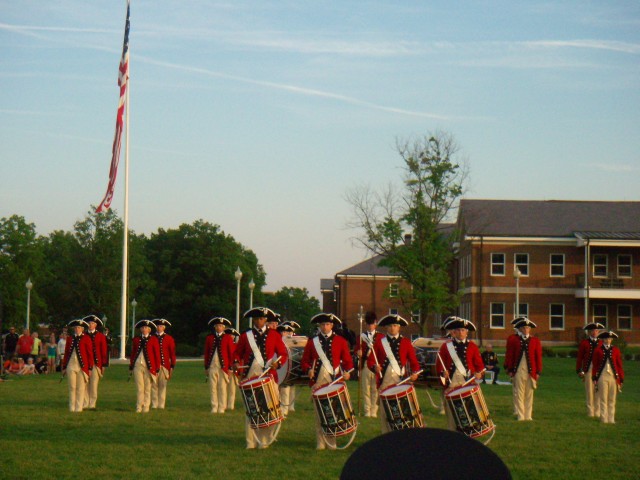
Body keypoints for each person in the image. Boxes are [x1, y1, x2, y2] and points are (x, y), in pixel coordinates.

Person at [233, 307, 288, 449]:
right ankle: (250, 441)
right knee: (251, 409)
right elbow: (237, 353)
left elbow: (283, 353)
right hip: (250, 375)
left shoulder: (274, 335)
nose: (259, 321)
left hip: (269, 376)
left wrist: (278, 362)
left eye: (262, 319)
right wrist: (236, 362)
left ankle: (265, 440)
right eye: (257, 319)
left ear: (266, 320)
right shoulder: (246, 336)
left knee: (269, 409)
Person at [301, 313, 353, 450]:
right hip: (318, 381)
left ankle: (332, 441)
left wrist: (347, 372)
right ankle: (320, 442)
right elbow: (305, 361)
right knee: (319, 413)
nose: (325, 327)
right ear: (319, 326)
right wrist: (308, 370)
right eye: (323, 324)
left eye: (328, 324)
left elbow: (348, 361)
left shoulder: (340, 341)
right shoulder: (313, 342)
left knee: (333, 412)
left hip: (334, 380)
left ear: (332, 326)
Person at [368, 314, 420, 433]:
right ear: (386, 327)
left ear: (399, 328)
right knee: (385, 414)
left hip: (401, 382)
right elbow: (370, 360)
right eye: (390, 326)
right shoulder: (380, 342)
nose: (393, 328)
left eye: (395, 326)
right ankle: (385, 436)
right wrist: (374, 367)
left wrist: (415, 374)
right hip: (385, 382)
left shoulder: (406, 342)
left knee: (403, 412)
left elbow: (414, 363)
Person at [436, 317, 485, 431]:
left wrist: (479, 374)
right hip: (451, 383)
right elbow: (439, 366)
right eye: (458, 330)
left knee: (468, 412)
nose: (461, 333)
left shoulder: (472, 346)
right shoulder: (445, 346)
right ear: (454, 332)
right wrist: (443, 374)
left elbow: (480, 367)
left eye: (463, 330)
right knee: (452, 414)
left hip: (466, 383)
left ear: (467, 332)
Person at [505, 317, 542, 421]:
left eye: (528, 328)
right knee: (519, 393)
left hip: (531, 371)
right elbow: (510, 355)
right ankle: (521, 416)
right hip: (519, 370)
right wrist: (510, 369)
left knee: (529, 394)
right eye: (524, 328)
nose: (526, 330)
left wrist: (538, 371)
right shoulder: (514, 340)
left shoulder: (535, 341)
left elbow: (538, 357)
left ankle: (528, 415)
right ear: (520, 329)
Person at [62, 319, 94, 412]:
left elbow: (89, 354)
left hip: (82, 366)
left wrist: (90, 368)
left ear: (82, 329)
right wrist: (64, 366)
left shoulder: (86, 338)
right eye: (75, 327)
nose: (77, 329)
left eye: (79, 327)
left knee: (81, 388)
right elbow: (67, 353)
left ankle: (79, 408)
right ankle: (72, 407)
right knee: (72, 387)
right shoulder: (70, 338)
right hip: (71, 365)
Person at [592, 331, 624, 424]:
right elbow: (595, 365)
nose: (607, 340)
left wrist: (621, 378)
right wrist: (594, 378)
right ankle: (603, 419)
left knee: (612, 399)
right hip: (602, 376)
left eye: (609, 339)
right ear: (603, 340)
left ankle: (611, 418)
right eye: (606, 339)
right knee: (603, 398)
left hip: (613, 377)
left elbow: (619, 365)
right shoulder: (598, 350)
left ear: (611, 340)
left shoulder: (616, 350)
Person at [129, 319, 161, 413]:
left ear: (149, 329)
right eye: (142, 327)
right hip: (138, 365)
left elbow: (157, 354)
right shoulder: (136, 339)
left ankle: (146, 406)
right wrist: (131, 366)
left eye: (146, 327)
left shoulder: (153, 339)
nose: (144, 329)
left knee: (147, 387)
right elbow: (133, 353)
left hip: (149, 366)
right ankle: (139, 406)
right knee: (140, 388)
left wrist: (157, 368)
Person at [204, 317, 234, 414]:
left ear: (224, 327)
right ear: (215, 327)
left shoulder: (228, 338)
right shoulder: (210, 338)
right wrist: (206, 367)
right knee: (213, 388)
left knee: (222, 387)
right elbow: (207, 353)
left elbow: (231, 354)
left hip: (223, 367)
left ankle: (222, 407)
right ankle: (214, 406)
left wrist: (230, 368)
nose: (219, 328)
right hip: (212, 366)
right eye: (217, 326)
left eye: (221, 326)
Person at [356, 311, 383, 418]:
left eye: (372, 323)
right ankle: (367, 410)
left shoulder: (381, 337)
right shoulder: (361, 336)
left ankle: (374, 410)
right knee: (366, 389)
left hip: (376, 365)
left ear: (375, 323)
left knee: (375, 388)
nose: (370, 326)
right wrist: (358, 352)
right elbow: (356, 349)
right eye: (368, 324)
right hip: (366, 364)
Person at [576, 322, 604, 418]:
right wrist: (579, 370)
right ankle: (590, 412)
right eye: (593, 331)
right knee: (589, 391)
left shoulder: (601, 343)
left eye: (596, 331)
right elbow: (580, 357)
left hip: (599, 370)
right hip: (588, 369)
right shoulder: (585, 343)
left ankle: (597, 411)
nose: (595, 332)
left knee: (598, 391)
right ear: (589, 332)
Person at [83, 315, 108, 410]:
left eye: (92, 323)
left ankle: (92, 403)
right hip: (85, 364)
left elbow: (104, 351)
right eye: (89, 323)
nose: (90, 325)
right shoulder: (84, 335)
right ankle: (85, 402)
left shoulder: (100, 336)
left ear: (96, 325)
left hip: (96, 364)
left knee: (93, 384)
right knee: (85, 384)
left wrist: (104, 365)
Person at [152, 318, 176, 410]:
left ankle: (161, 404)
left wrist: (172, 366)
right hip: (154, 365)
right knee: (154, 385)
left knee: (162, 385)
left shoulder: (169, 338)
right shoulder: (152, 337)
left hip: (165, 365)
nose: (159, 328)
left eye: (161, 326)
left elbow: (172, 353)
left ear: (164, 328)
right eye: (158, 326)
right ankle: (154, 404)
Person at [277, 321, 300, 416]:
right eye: (282, 332)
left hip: (288, 368)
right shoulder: (277, 341)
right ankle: (278, 407)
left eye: (286, 332)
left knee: (286, 389)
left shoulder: (292, 343)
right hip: (278, 367)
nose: (284, 334)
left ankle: (286, 409)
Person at [225, 327, 240, 410]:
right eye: (230, 335)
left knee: (232, 388)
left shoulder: (236, 345)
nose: (232, 337)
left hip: (233, 370)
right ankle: (223, 403)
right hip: (225, 369)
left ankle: (230, 405)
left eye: (233, 335)